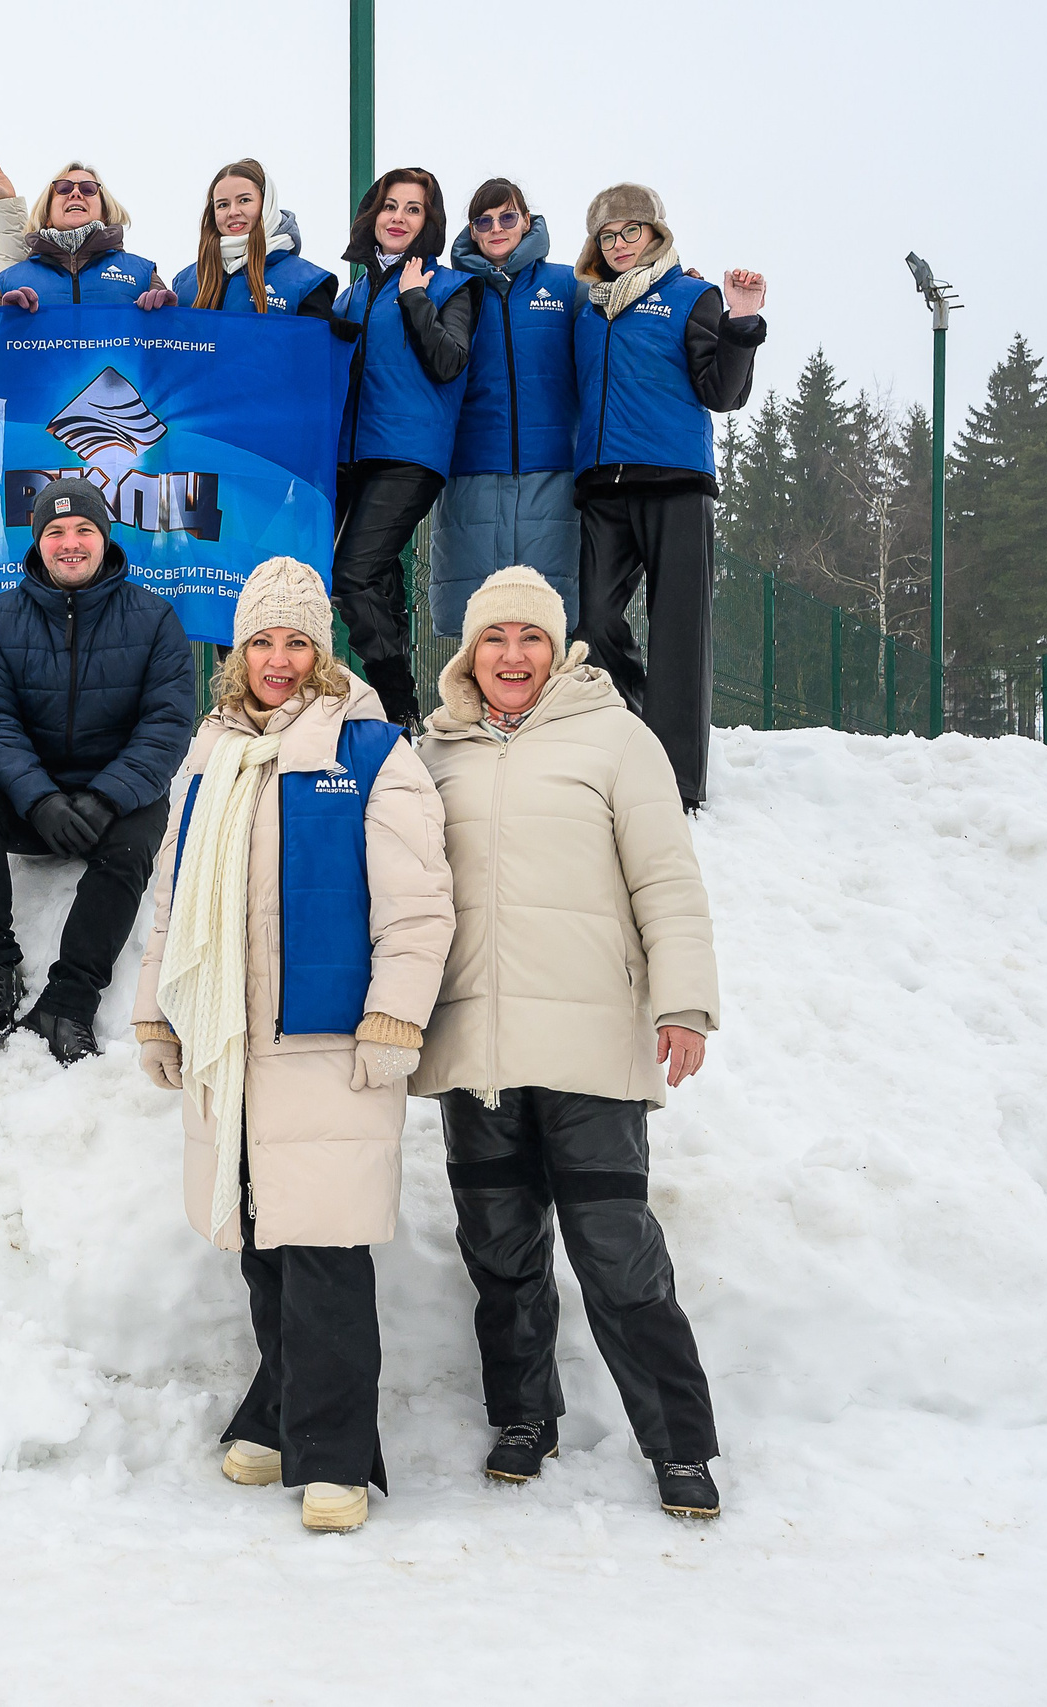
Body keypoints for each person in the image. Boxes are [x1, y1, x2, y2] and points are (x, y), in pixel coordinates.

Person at [132, 557, 455, 1535]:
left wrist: (395, 1017)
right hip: (231, 1042)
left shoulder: (372, 752)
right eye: (262, 641)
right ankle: (277, 1417)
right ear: (240, 652)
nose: (278, 659)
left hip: (326, 1043)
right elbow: (169, 900)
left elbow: (417, 905)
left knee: (323, 1253)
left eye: (297, 642)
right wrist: (157, 1012)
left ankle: (335, 1456)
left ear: (324, 650)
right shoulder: (211, 754)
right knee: (263, 1244)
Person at [411, 567, 725, 1519]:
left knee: (617, 1251)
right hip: (477, 1045)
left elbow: (666, 879)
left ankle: (680, 1445)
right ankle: (524, 1415)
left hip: (590, 1043)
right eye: (494, 637)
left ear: (558, 650)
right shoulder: (436, 751)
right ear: (470, 652)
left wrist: (684, 1003)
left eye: (531, 638)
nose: (512, 655)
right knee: (500, 1250)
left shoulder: (618, 738)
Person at [0, 477, 194, 1064]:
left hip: (114, 801)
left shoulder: (154, 618)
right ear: (38, 542)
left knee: (138, 838)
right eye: (55, 531)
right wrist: (38, 799)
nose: (70, 543)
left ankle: (69, 1000)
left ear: (105, 538)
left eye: (84, 529)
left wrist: (108, 797)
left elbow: (167, 724)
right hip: (34, 800)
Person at [567, 184, 767, 811]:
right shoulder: (586, 310)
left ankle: (677, 784)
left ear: (656, 234)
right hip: (603, 483)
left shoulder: (690, 296)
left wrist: (740, 322)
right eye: (608, 235)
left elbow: (723, 393)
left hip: (677, 482)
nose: (620, 244)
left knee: (680, 632)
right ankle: (633, 734)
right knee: (594, 623)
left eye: (632, 231)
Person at [331, 169, 478, 727]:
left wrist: (415, 297)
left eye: (413, 209)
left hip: (409, 455)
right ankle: (398, 723)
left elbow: (448, 361)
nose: (398, 218)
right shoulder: (351, 295)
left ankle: (398, 705)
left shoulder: (450, 287)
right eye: (390, 206)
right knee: (376, 580)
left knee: (351, 575)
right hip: (350, 455)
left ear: (428, 222)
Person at [432, 179, 583, 638]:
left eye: (507, 217)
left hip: (552, 473)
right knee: (476, 625)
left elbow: (619, 322)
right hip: (470, 473)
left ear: (526, 221)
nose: (496, 228)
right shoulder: (453, 289)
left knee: (549, 622)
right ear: (472, 231)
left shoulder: (567, 285)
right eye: (483, 221)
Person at [0, 156, 177, 309]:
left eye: (88, 189)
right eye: (63, 188)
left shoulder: (142, 275)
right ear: (47, 215)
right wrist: (5, 323)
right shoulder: (9, 283)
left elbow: (174, 345)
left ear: (104, 213)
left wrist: (162, 320)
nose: (75, 193)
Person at [171, 159, 336, 317]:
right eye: (223, 204)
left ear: (266, 204)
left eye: (244, 200)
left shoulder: (307, 282)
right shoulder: (185, 282)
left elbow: (313, 336)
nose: (233, 212)